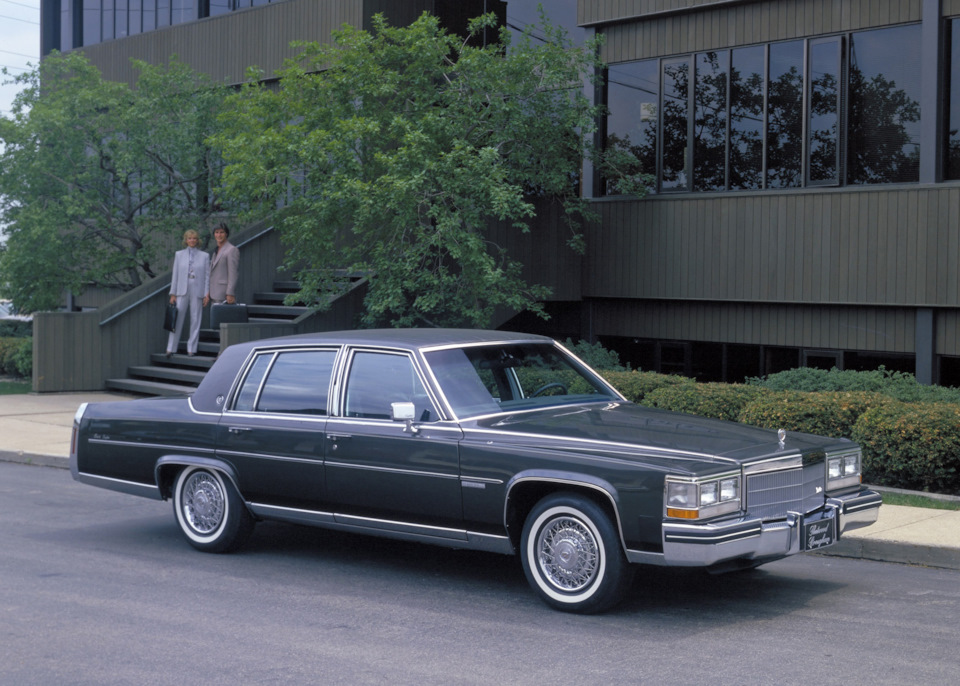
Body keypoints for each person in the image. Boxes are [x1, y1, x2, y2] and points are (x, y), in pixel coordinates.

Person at [166, 229, 210, 357]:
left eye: (194, 238)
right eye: (190, 238)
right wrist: (172, 293)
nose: (192, 240)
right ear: (186, 240)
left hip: (198, 289)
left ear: (198, 240)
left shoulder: (204, 256)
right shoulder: (179, 255)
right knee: (177, 318)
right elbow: (175, 274)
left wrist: (206, 293)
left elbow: (207, 276)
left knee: (196, 319)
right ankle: (171, 347)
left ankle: (192, 348)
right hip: (181, 289)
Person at [209, 222, 239, 304]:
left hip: (224, 294)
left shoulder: (231, 250)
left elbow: (233, 273)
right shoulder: (216, 250)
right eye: (217, 232)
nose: (219, 235)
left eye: (221, 232)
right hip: (213, 293)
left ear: (226, 234)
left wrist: (230, 293)